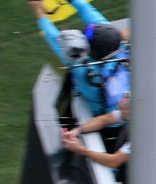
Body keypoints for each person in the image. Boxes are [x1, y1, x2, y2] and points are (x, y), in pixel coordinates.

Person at [29, 0, 131, 132]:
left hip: (106, 125)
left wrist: (38, 10)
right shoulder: (116, 45)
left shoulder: (83, 69)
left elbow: (54, 39)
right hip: (124, 113)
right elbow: (88, 11)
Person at [62, 95, 156, 184]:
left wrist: (80, 149)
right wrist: (77, 131)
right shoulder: (142, 111)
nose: (121, 102)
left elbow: (113, 161)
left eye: (124, 104)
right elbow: (105, 119)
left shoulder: (145, 137)